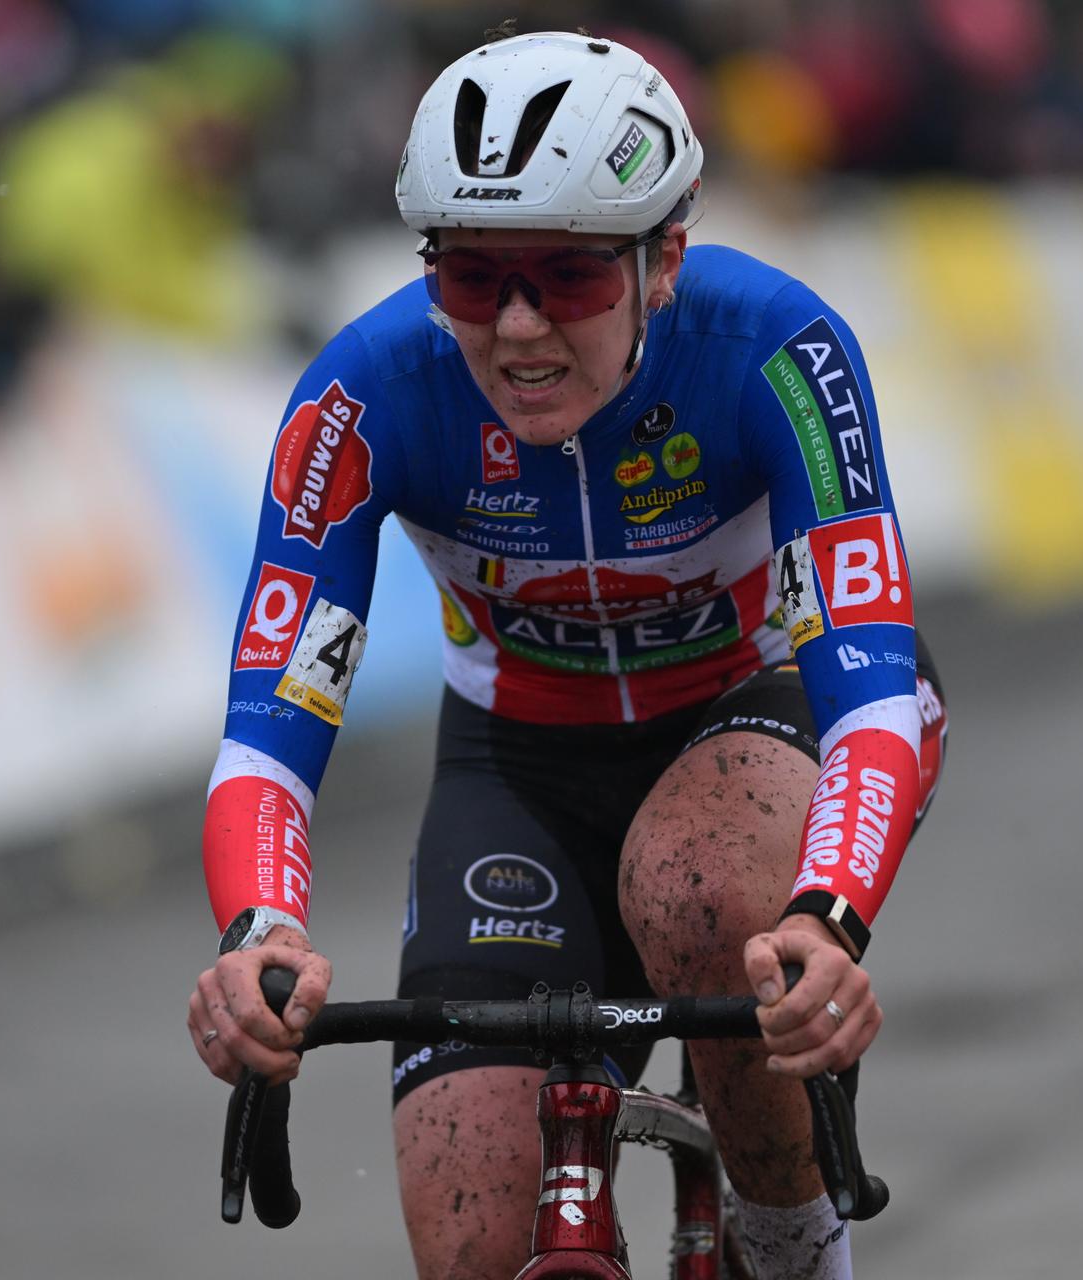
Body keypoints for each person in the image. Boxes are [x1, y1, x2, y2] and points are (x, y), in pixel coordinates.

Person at [187, 28, 949, 1280]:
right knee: (472, 1234)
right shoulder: (365, 390)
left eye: (570, 276)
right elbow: (271, 718)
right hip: (521, 760)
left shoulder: (778, 348)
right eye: (474, 277)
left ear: (664, 263)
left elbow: (865, 682)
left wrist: (830, 917)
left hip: (767, 714)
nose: (521, 326)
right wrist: (256, 933)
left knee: (699, 885)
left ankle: (792, 1245)